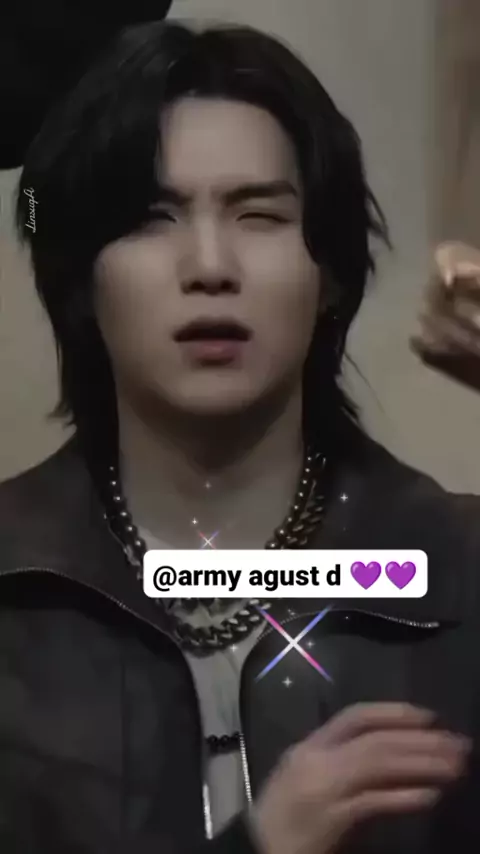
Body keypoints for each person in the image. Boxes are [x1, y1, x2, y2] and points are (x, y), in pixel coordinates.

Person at [1, 19, 480, 854]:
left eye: (259, 214)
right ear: (79, 278)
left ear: (330, 274)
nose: (210, 265)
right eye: (151, 218)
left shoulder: (459, 564)